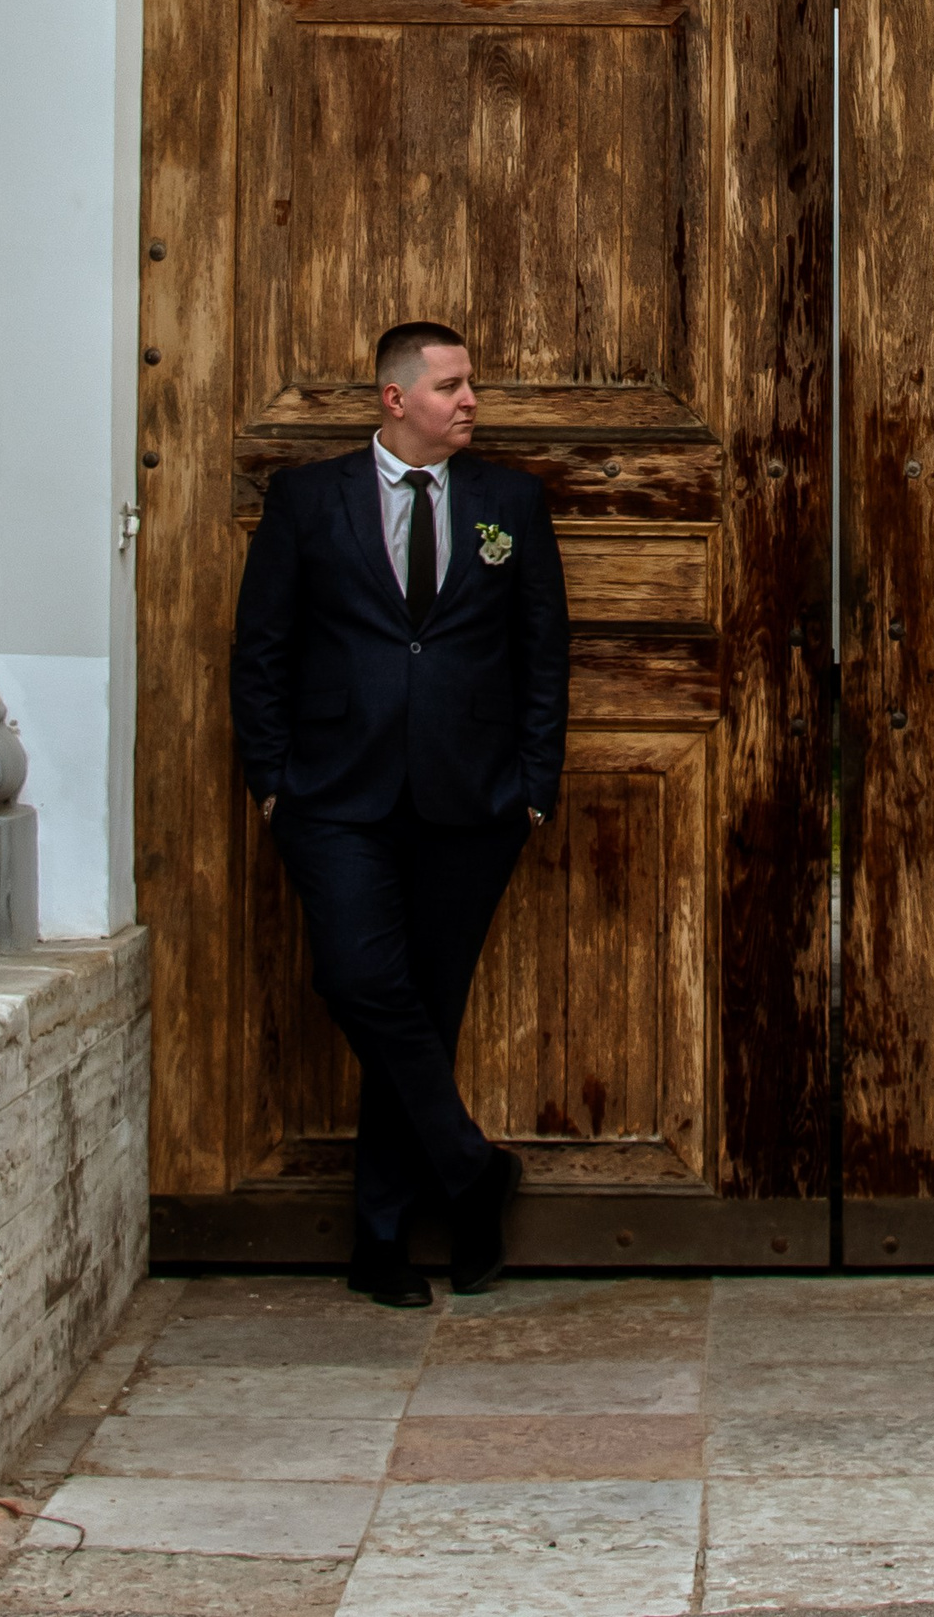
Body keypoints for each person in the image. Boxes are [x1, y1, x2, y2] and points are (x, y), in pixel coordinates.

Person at [230, 319, 570, 1307]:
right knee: (359, 978)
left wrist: (534, 784)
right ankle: (472, 1170)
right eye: (451, 385)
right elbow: (262, 648)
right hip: (334, 794)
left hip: (472, 798)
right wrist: (272, 777)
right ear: (395, 396)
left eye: (471, 384)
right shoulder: (308, 498)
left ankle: (380, 1237)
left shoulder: (509, 501)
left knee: (426, 1007)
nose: (469, 400)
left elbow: (543, 650)